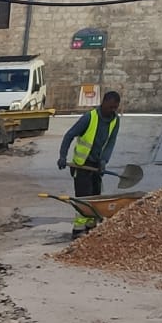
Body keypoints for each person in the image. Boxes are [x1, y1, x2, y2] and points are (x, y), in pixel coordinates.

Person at [58, 90, 121, 235]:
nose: (112, 110)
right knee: (83, 197)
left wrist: (104, 161)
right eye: (110, 107)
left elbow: (111, 143)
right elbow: (69, 135)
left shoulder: (115, 120)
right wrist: (62, 156)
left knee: (96, 195)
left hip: (97, 165)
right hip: (81, 164)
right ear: (103, 102)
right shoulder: (89, 117)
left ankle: (91, 226)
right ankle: (78, 228)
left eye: (115, 108)